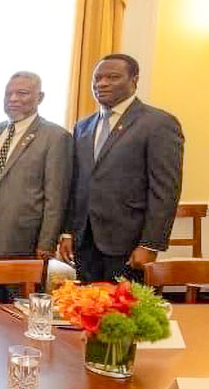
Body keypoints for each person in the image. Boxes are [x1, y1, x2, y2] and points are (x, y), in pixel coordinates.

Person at [59, 54, 184, 284]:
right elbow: (75, 183)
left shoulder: (158, 124)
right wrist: (68, 232)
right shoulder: (83, 126)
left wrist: (150, 244)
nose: (102, 83)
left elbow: (165, 191)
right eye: (97, 78)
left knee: (125, 315)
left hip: (128, 245)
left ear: (134, 80)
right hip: (85, 243)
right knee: (85, 311)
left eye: (112, 77)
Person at [0, 72, 71, 301]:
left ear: (40, 97)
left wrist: (47, 242)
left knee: (19, 304)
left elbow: (56, 195)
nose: (13, 98)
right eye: (9, 93)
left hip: (25, 239)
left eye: (22, 93)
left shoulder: (55, 136)